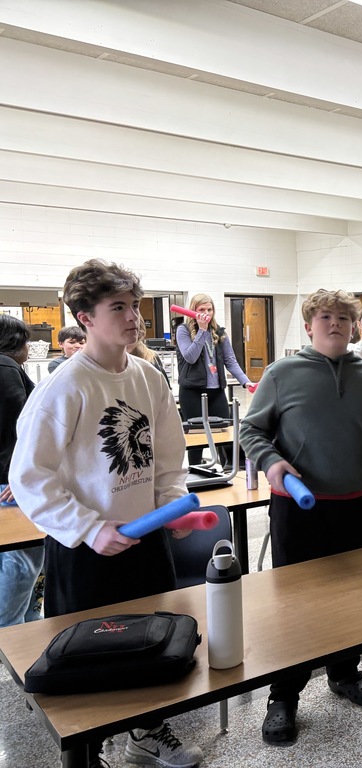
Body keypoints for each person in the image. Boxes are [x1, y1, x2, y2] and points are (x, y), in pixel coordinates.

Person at [9, 259, 203, 768]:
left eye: (135, 305)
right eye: (118, 307)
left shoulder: (148, 376)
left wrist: (169, 507)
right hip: (85, 551)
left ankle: (146, 732)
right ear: (85, 317)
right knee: (85, 659)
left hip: (146, 543)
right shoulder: (65, 386)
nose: (134, 317)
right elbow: (29, 477)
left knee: (153, 643)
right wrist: (89, 528)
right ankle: (86, 753)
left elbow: (169, 457)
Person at [239, 289, 362, 747]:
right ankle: (283, 695)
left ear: (353, 327)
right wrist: (271, 461)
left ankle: (344, 672)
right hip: (300, 508)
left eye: (343, 318)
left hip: (357, 503)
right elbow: (251, 429)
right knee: (295, 605)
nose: (335, 324)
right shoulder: (281, 373)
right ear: (309, 325)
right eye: (325, 317)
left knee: (352, 598)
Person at [175, 293, 256, 467]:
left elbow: (230, 361)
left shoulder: (219, 332)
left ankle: (230, 469)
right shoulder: (183, 330)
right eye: (202, 309)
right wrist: (202, 331)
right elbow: (190, 357)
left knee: (225, 432)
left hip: (216, 390)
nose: (206, 313)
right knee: (197, 435)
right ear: (194, 310)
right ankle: (196, 471)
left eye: (209, 309)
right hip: (192, 391)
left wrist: (245, 381)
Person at [0, 314, 44, 628]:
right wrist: (21, 475)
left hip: (8, 478)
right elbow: (20, 431)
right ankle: (13, 633)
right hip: (10, 483)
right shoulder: (6, 369)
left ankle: (26, 625)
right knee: (21, 563)